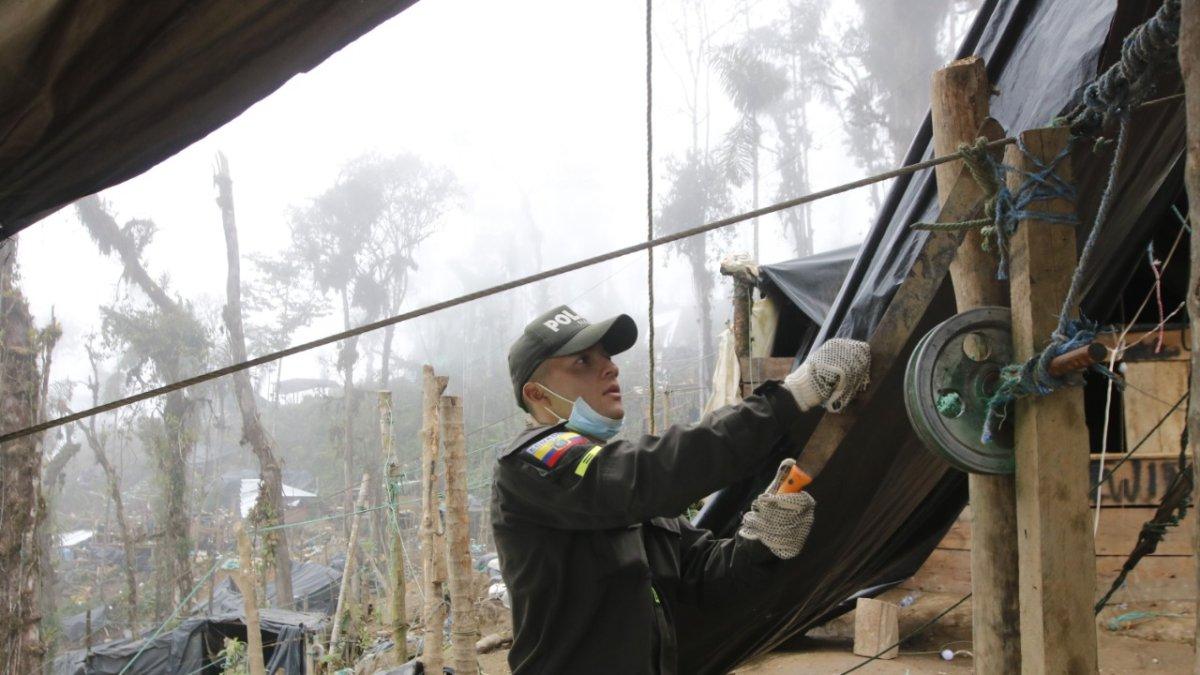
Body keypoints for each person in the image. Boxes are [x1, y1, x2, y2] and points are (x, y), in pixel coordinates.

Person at [490, 304, 870, 674]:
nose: (611, 367)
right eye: (582, 362)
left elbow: (701, 574)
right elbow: (653, 472)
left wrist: (763, 541)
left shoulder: (619, 480)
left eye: (605, 356)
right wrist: (792, 397)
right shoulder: (532, 466)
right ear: (537, 394)